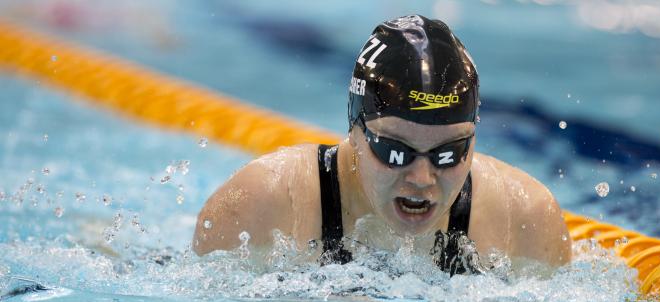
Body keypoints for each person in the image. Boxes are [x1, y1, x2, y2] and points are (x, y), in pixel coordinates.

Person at [193, 15, 571, 274]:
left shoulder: (524, 221)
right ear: (354, 132)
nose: (422, 178)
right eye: (396, 152)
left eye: (448, 153)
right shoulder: (265, 205)